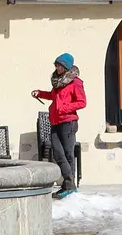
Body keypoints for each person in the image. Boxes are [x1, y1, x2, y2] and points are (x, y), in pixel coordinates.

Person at [32, 53, 86, 199]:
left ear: (66, 67)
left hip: (68, 122)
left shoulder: (75, 83)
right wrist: (40, 93)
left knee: (68, 154)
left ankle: (68, 185)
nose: (57, 67)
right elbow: (53, 96)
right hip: (56, 121)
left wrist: (63, 108)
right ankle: (69, 184)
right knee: (57, 153)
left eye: (60, 65)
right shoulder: (57, 81)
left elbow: (82, 102)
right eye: (56, 64)